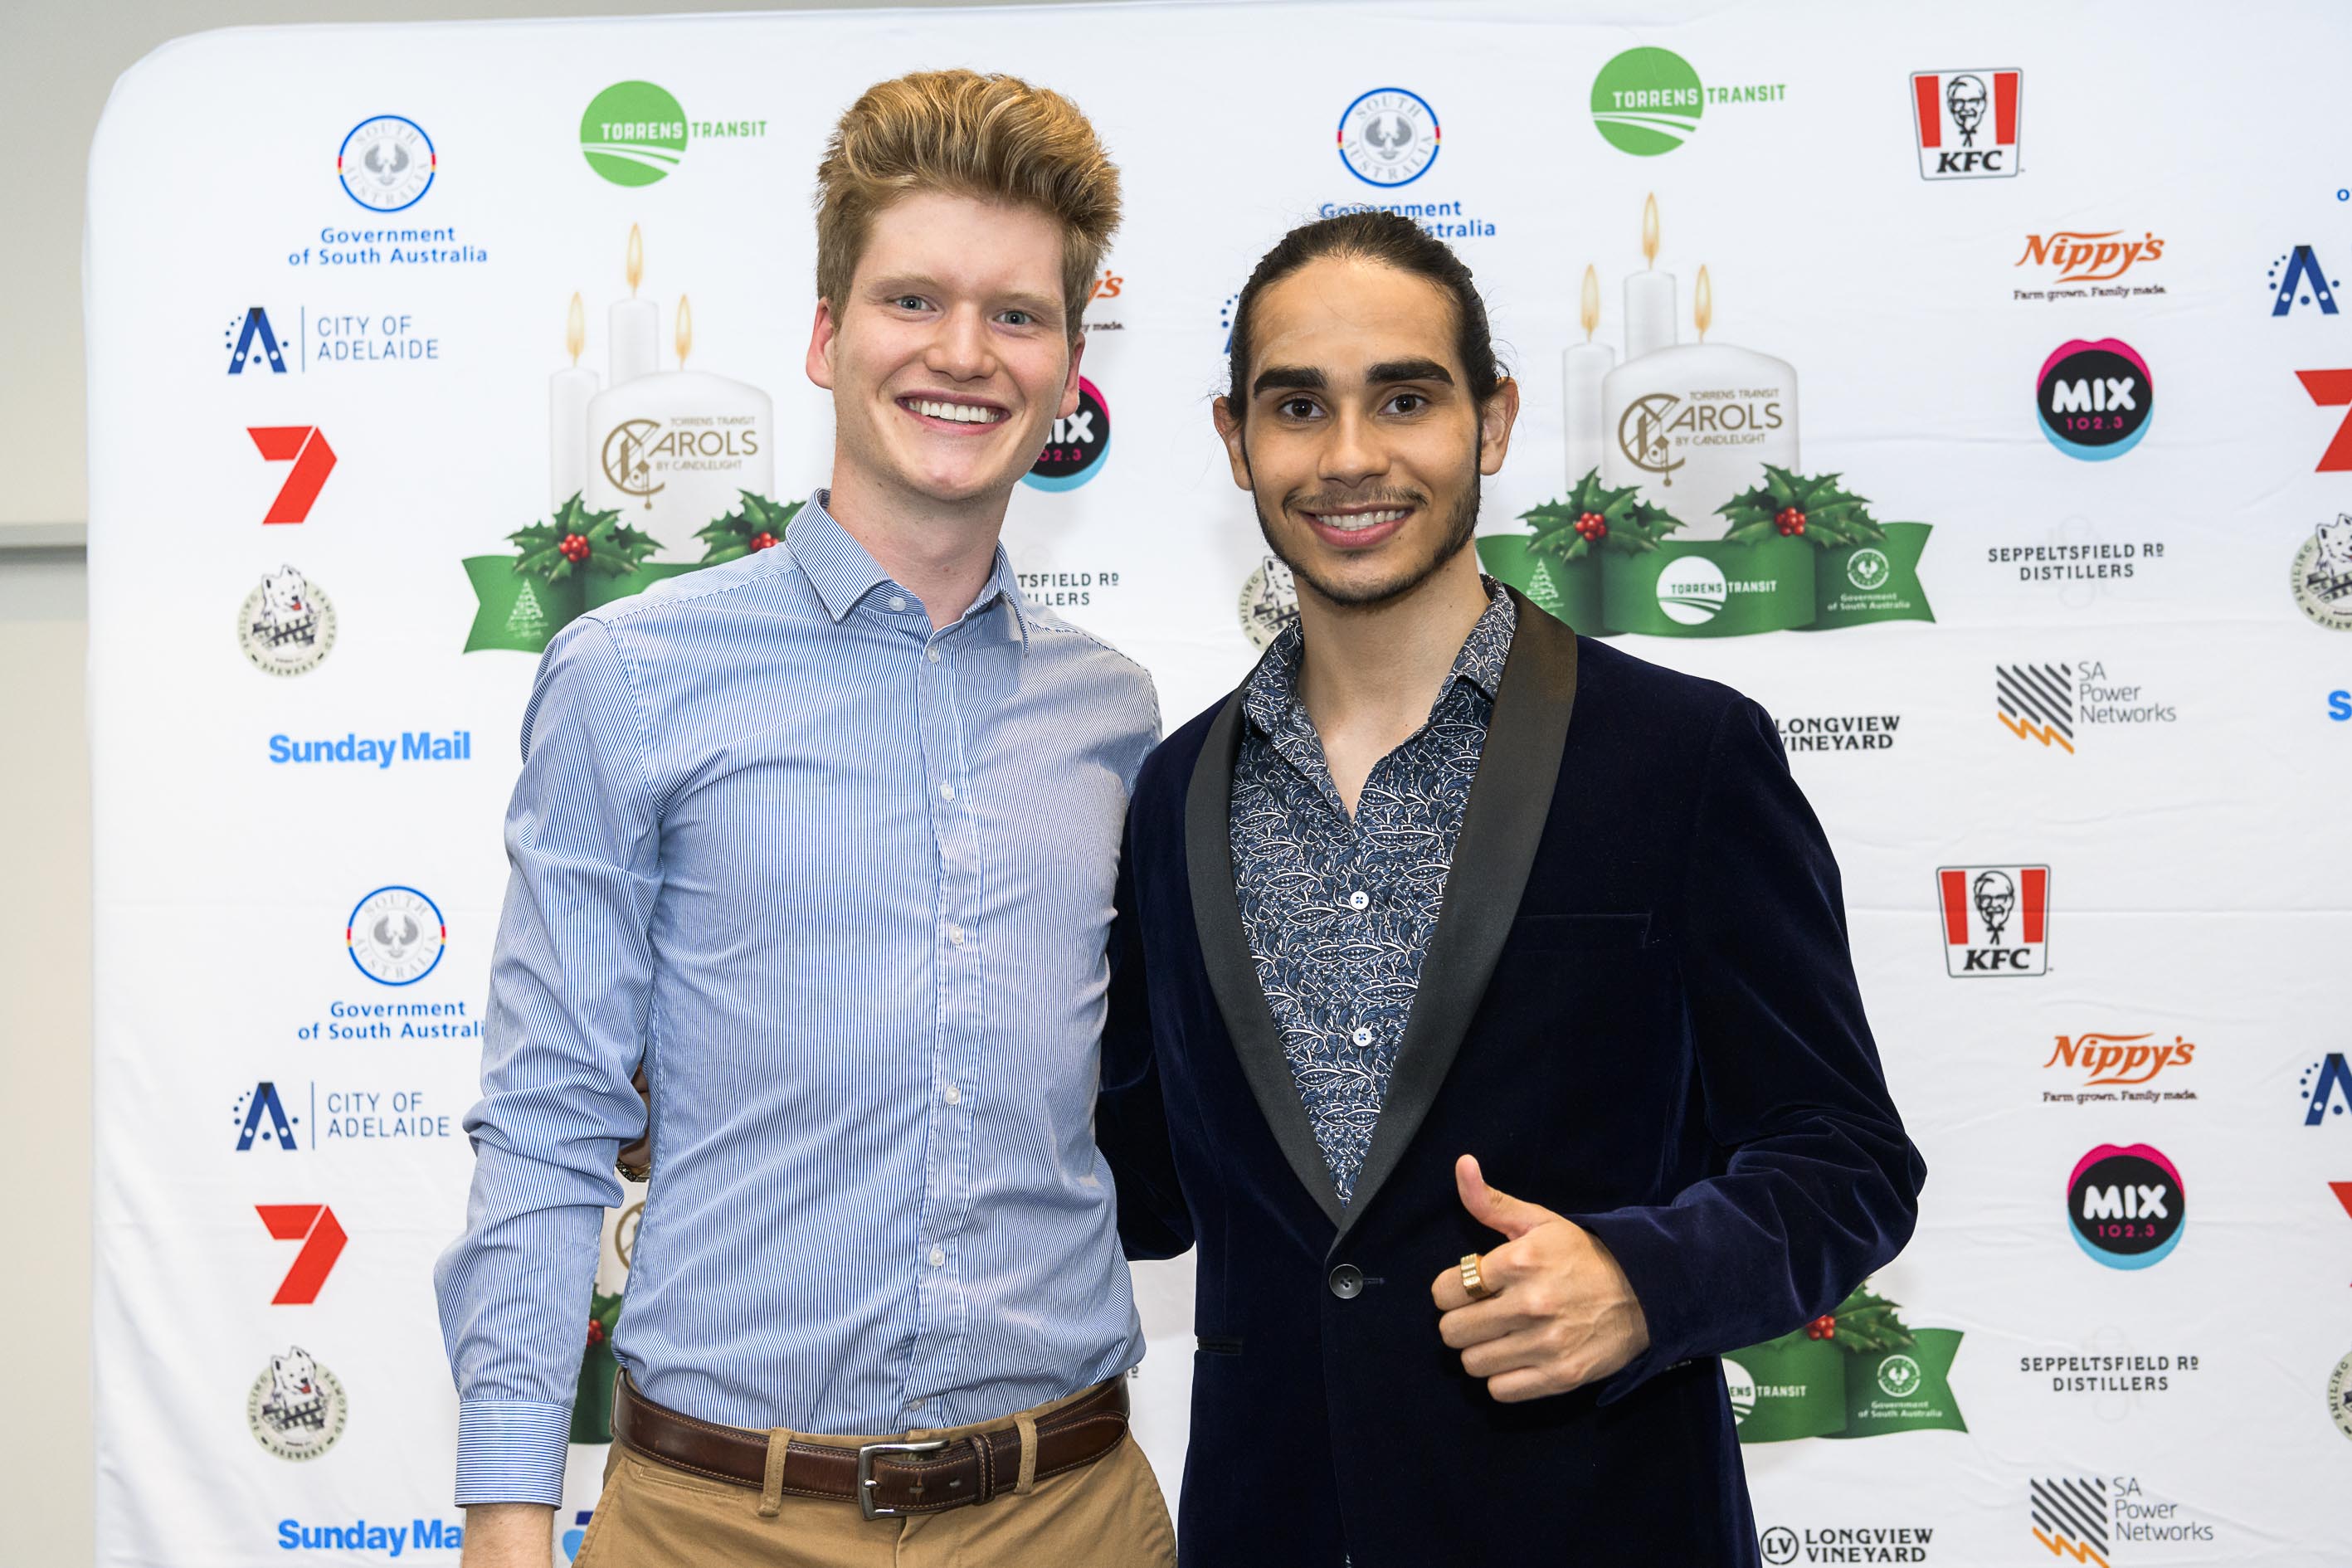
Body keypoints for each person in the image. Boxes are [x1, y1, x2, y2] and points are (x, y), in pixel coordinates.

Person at [1095, 212, 1925, 1566]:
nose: (1349, 456)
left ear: (1493, 419)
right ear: (1235, 440)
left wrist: (1644, 1278)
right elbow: (1139, 1182)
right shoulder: (1172, 790)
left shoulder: (1684, 756)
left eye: (1404, 398)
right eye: (1297, 406)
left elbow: (1847, 1159)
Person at [436, 70, 1176, 1568]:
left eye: (1017, 314)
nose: (963, 353)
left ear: (1067, 364)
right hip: (718, 1523)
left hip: (1069, 1515)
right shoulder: (632, 675)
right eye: (913, 301)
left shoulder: (1115, 712)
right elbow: (551, 1112)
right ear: (829, 337)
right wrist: (507, 1514)